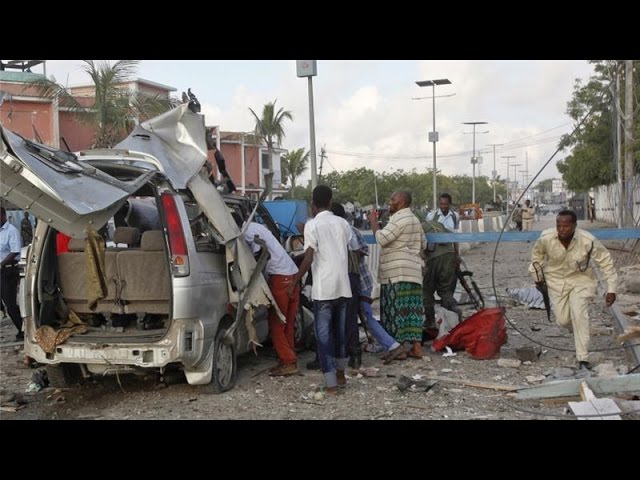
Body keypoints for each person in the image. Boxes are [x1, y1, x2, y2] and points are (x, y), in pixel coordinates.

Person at [529, 210, 617, 370]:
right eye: (559, 225)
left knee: (579, 314)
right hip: (555, 282)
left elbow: (606, 262)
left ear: (574, 226)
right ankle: (580, 329)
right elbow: (536, 258)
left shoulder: (587, 240)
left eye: (566, 226)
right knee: (562, 320)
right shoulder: (546, 238)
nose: (562, 229)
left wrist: (611, 289)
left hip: (581, 281)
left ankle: (583, 358)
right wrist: (537, 278)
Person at [289, 186, 352, 395]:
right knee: (341, 334)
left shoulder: (312, 225)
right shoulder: (343, 223)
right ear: (331, 201)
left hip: (324, 288)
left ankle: (331, 384)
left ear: (312, 205)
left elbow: (309, 256)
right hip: (343, 285)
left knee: (323, 336)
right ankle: (341, 375)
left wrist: (295, 280)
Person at [369, 191, 426, 359]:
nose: (390, 201)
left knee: (396, 311)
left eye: (393, 199)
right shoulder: (414, 219)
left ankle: (398, 348)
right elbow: (424, 243)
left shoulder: (400, 219)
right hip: (413, 271)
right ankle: (416, 347)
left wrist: (373, 223)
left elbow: (382, 238)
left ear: (401, 203)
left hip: (396, 272)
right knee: (413, 310)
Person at [242, 221, 300, 376]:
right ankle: (290, 358)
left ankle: (288, 362)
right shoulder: (256, 225)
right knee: (287, 322)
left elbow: (261, 253)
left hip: (280, 277)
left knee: (276, 323)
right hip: (292, 274)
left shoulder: (246, 232)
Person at [423, 193, 462, 334]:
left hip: (443, 255)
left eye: (446, 204)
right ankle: (452, 314)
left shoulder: (454, 216)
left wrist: (457, 256)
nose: (443, 207)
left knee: (427, 290)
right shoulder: (431, 216)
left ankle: (431, 321)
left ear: (450, 204)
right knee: (445, 290)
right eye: (441, 204)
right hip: (441, 255)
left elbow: (455, 237)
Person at [1, 207, 24, 341]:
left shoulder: (11, 231)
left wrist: (1, 264)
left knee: (10, 304)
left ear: (3, 216)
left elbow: (15, 251)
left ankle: (23, 329)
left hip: (8, 270)